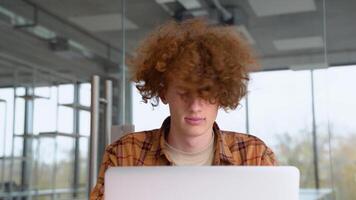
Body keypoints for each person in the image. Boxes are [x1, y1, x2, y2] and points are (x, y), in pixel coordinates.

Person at [90, 18, 276, 200]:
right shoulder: (125, 153)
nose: (195, 107)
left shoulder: (254, 155)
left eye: (206, 93)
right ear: (164, 92)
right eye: (184, 93)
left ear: (221, 95)